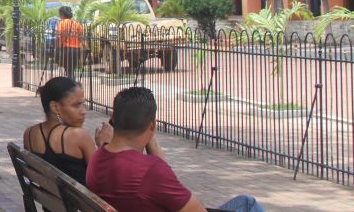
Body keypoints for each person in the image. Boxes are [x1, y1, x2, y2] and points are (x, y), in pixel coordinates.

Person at [87, 87, 264, 212]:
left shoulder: (97, 158)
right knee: (247, 204)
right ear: (152, 125)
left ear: (112, 117)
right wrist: (152, 139)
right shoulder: (150, 170)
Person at [23, 77, 111, 184]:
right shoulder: (78, 136)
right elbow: (102, 180)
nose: (83, 111)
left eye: (83, 104)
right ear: (55, 107)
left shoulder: (29, 133)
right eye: (76, 105)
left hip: (50, 199)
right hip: (79, 200)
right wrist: (105, 146)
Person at [55, 6, 84, 80]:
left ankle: (71, 85)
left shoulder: (61, 23)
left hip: (66, 48)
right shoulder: (77, 24)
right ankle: (72, 83)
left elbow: (59, 37)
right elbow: (81, 37)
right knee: (71, 69)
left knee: (68, 70)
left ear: (62, 14)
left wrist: (58, 48)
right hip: (76, 49)